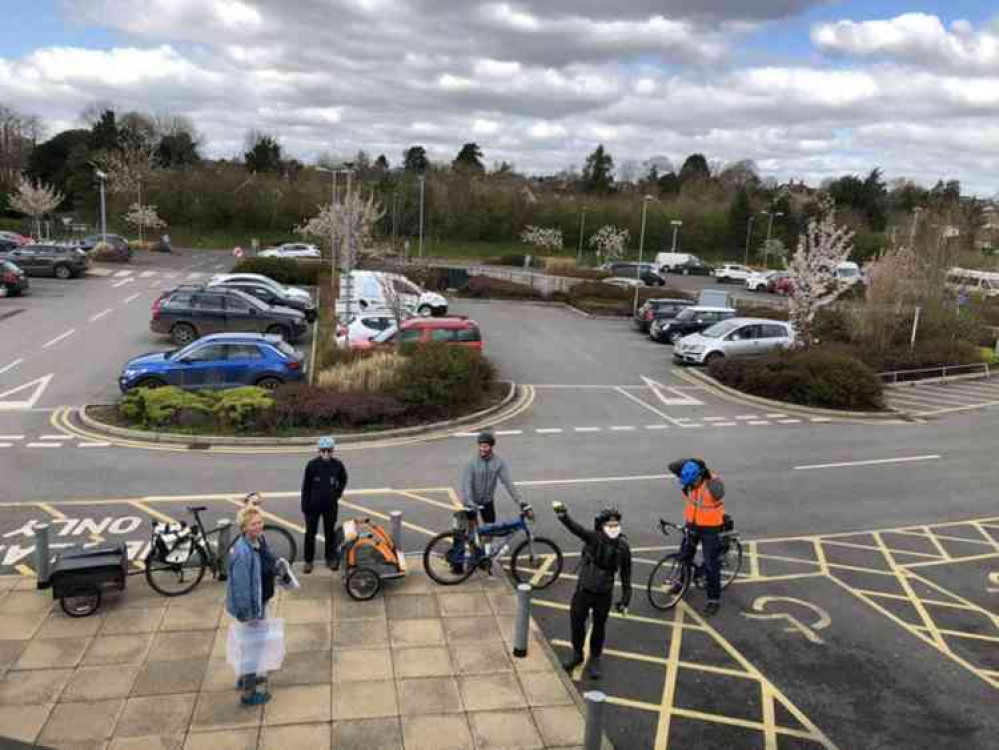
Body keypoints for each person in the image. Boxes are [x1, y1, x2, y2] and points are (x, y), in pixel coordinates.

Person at [554, 502, 632, 680]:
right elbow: (576, 529)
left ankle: (595, 658)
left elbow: (626, 576)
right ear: (601, 526)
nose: (613, 529)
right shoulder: (594, 538)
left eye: (615, 525)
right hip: (584, 591)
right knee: (577, 623)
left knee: (599, 627)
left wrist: (625, 600)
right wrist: (562, 515)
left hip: (604, 594)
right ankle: (577, 654)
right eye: (609, 525)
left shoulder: (623, 548)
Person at [226, 503, 278, 705]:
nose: (258, 527)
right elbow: (240, 590)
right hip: (251, 608)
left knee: (251, 645)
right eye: (253, 524)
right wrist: (250, 615)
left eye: (260, 522)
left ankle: (245, 677)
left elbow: (267, 559)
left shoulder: (258, 541)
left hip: (260, 600)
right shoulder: (242, 553)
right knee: (252, 648)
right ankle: (249, 693)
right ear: (244, 528)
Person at [668, 458, 727, 616]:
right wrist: (693, 462)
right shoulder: (689, 477)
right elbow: (672, 466)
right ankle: (681, 582)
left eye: (692, 482)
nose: (689, 486)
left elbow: (720, 494)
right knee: (684, 553)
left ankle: (713, 600)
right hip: (693, 522)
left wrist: (706, 473)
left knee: (711, 564)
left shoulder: (713, 484)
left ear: (699, 476)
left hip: (711, 526)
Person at [300, 436, 348, 573]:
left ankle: (330, 558)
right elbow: (306, 487)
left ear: (333, 450)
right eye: (323, 451)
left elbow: (343, 479)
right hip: (312, 507)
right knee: (310, 533)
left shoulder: (338, 465)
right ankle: (308, 561)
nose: (326, 454)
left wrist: (337, 494)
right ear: (318, 450)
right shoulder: (312, 465)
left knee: (329, 533)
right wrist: (304, 506)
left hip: (330, 506)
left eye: (329, 451)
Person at [460, 431, 525, 524]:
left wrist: (521, 502)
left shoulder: (498, 462)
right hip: (472, 501)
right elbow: (467, 484)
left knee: (490, 531)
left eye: (485, 446)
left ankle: (484, 538)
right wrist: (469, 501)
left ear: (491, 447)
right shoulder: (471, 462)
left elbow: (508, 483)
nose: (482, 449)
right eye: (480, 446)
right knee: (472, 531)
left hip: (487, 501)